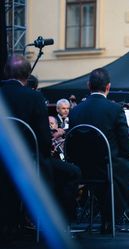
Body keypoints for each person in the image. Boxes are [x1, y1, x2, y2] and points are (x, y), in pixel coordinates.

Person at [69, 68, 129, 235]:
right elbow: (126, 146)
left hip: (82, 170)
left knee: (114, 170)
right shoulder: (114, 109)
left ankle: (108, 220)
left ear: (88, 86)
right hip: (110, 168)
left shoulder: (75, 111)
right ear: (108, 86)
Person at [0, 55, 81, 241]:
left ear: (5, 72)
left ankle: (11, 222)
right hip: (30, 163)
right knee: (72, 172)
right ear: (28, 76)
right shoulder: (34, 97)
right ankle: (59, 225)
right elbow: (44, 139)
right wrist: (46, 152)